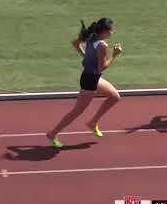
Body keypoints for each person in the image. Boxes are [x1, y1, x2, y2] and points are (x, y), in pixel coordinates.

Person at [46, 18, 123, 148]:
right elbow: (101, 67)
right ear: (104, 32)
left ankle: (93, 123)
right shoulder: (102, 46)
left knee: (115, 97)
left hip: (92, 77)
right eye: (111, 30)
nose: (112, 33)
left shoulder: (91, 36)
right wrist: (115, 55)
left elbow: (75, 43)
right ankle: (52, 134)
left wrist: (86, 56)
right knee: (76, 111)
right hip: (90, 80)